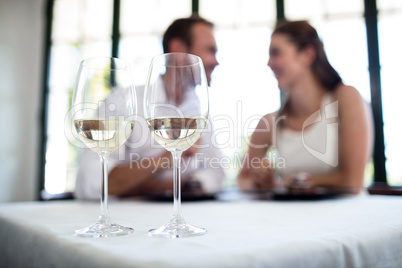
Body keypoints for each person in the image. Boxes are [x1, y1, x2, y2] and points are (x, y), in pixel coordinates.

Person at [75, 15, 224, 200]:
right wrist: (166, 158)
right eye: (210, 50)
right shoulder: (123, 102)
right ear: (178, 50)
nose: (216, 61)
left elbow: (216, 174)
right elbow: (91, 183)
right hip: (128, 222)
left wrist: (186, 185)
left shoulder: (199, 113)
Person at [237, 20, 373, 195]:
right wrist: (259, 181)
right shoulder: (270, 122)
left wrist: (286, 183)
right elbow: (243, 179)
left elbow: (353, 182)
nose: (269, 63)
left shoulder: (346, 98)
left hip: (347, 219)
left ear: (307, 54)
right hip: (292, 220)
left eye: (276, 53)